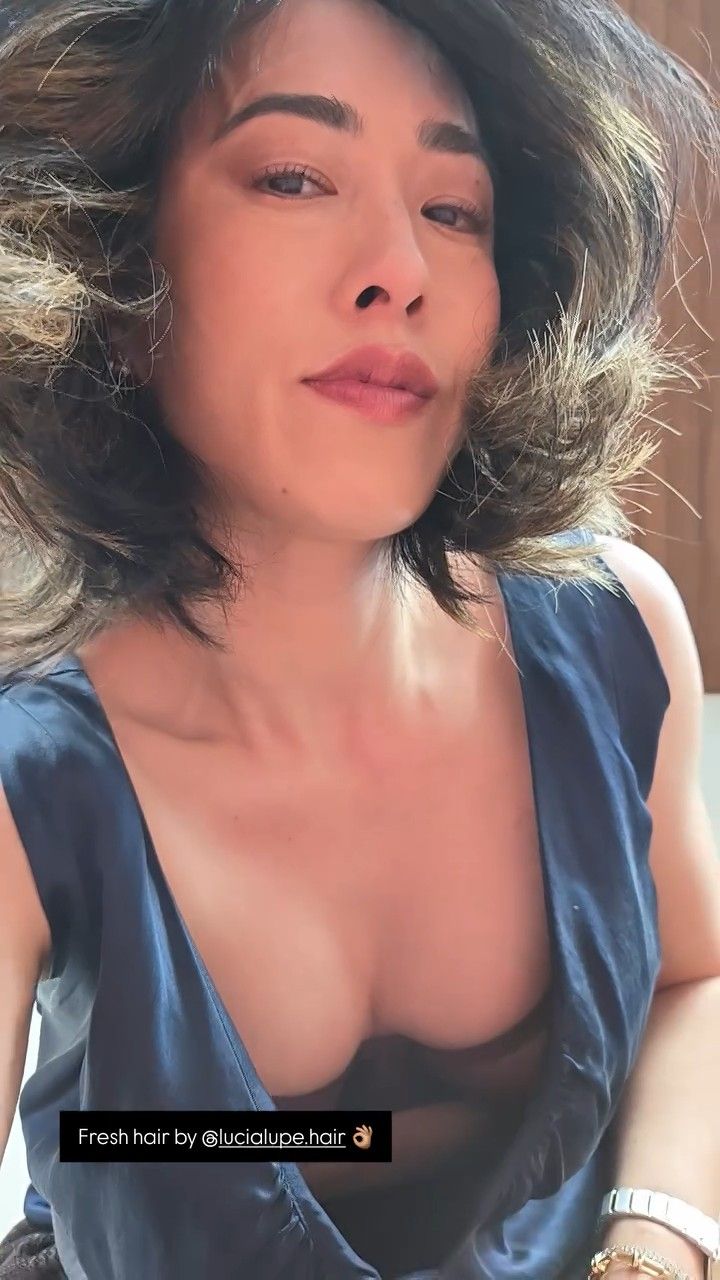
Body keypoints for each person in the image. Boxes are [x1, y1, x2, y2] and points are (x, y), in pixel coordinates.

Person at [0, 0, 719, 1276]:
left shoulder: (614, 628)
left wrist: (657, 1241)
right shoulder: (27, 764)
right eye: (293, 177)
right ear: (114, 272)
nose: (403, 266)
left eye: (453, 207)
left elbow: (691, 978)